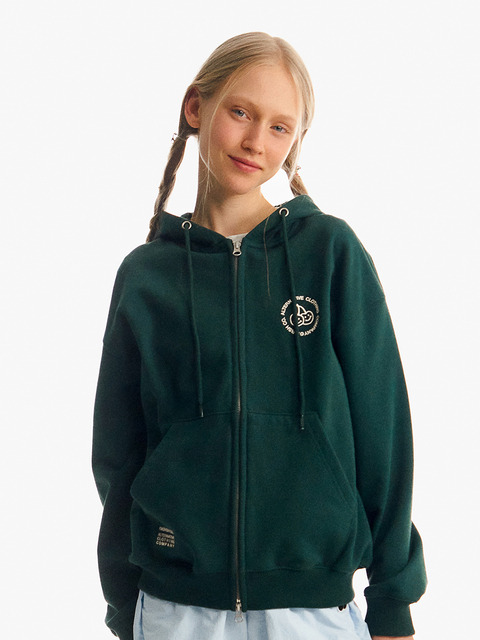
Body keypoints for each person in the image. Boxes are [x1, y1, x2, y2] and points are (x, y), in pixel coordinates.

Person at [92, 32, 426, 640]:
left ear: (296, 140)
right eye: (241, 113)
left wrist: (394, 600)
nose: (255, 142)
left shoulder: (329, 253)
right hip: (174, 609)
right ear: (197, 107)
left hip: (312, 609)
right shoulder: (146, 276)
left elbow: (383, 431)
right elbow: (118, 454)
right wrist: (123, 602)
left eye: (279, 127)